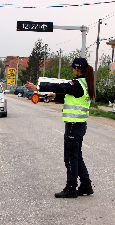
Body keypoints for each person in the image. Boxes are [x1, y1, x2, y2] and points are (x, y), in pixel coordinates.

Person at [25, 57, 95, 198]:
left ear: (76, 69)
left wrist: (38, 88)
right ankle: (86, 185)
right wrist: (56, 96)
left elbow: (61, 86)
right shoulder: (85, 83)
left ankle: (71, 188)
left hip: (74, 126)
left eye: (73, 68)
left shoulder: (76, 83)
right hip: (79, 125)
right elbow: (70, 95)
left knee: (70, 157)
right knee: (77, 156)